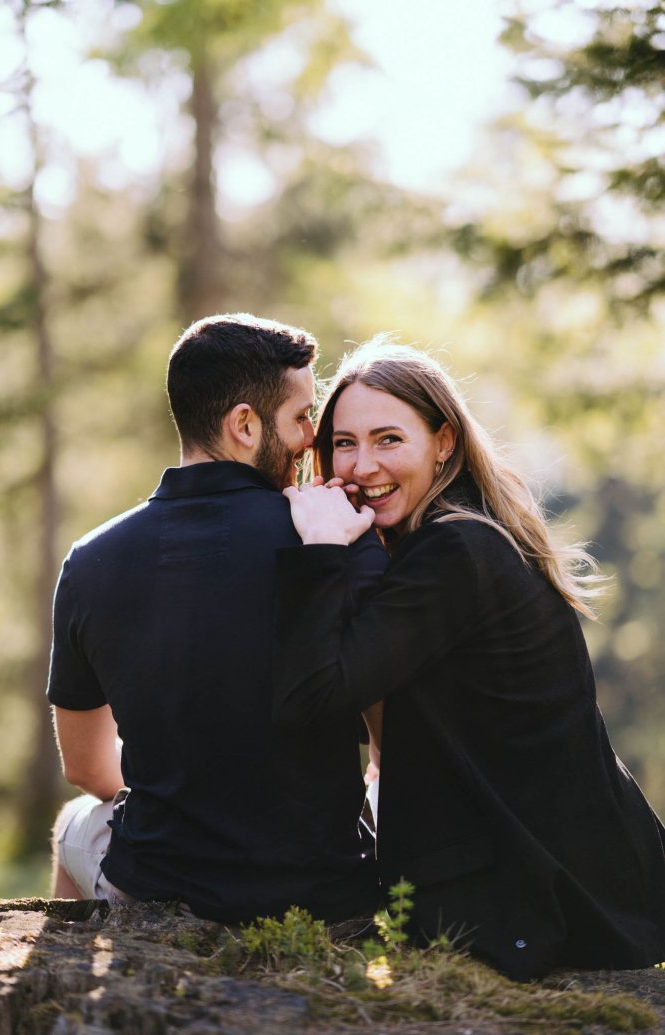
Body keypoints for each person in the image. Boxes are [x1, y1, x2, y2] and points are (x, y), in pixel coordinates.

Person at [271, 337, 665, 981]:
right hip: (562, 872)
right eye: (344, 443)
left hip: (538, 899)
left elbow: (312, 698)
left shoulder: (454, 552)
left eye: (389, 439)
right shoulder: (456, 536)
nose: (363, 465)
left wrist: (319, 551)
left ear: (444, 442)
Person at [47, 313, 387, 924]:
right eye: (301, 417)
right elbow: (389, 742)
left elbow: (86, 769)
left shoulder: (90, 561)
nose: (312, 437)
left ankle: (74, 993)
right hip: (329, 895)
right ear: (245, 425)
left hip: (163, 888)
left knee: (73, 826)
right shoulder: (340, 537)